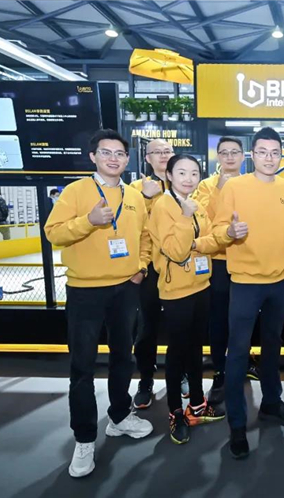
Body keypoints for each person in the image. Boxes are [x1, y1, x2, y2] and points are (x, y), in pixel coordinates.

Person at [44, 129, 153, 478]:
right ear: (93, 157)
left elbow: (145, 237)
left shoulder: (133, 196)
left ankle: (119, 416)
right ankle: (84, 437)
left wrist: (141, 267)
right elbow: (53, 232)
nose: (113, 158)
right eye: (106, 152)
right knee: (82, 367)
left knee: (123, 357)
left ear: (127, 159)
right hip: (85, 291)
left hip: (125, 289)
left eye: (119, 153)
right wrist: (87, 222)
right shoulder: (76, 191)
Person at [212, 127, 284, 459]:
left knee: (273, 345)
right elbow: (218, 229)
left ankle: (272, 403)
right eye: (262, 152)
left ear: (281, 155)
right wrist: (229, 231)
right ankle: (237, 424)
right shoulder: (234, 186)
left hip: (282, 281)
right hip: (246, 282)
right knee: (237, 352)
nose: (269, 158)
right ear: (252, 155)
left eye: (275, 152)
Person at [149, 154, 227, 444]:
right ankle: (175, 412)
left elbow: (210, 242)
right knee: (177, 353)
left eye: (194, 173)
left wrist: (196, 242)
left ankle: (197, 404)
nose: (189, 178)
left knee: (195, 349)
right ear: (169, 175)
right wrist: (184, 219)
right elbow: (175, 251)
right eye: (181, 172)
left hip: (200, 285)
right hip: (176, 291)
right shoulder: (163, 206)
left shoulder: (196, 204)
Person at [194, 136, 258, 404]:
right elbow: (205, 222)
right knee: (219, 319)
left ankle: (244, 362)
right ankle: (220, 371)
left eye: (235, 152)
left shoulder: (253, 183)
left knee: (246, 316)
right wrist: (221, 189)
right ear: (217, 157)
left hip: (247, 259)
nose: (230, 157)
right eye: (224, 153)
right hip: (219, 261)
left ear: (243, 156)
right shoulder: (206, 186)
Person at [129, 139, 174, 409]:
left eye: (167, 151)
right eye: (157, 152)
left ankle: (179, 373)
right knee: (146, 328)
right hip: (150, 270)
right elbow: (133, 226)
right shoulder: (136, 189)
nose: (163, 155)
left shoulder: (185, 185)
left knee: (180, 327)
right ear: (147, 158)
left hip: (180, 268)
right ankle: (146, 379)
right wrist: (146, 198)